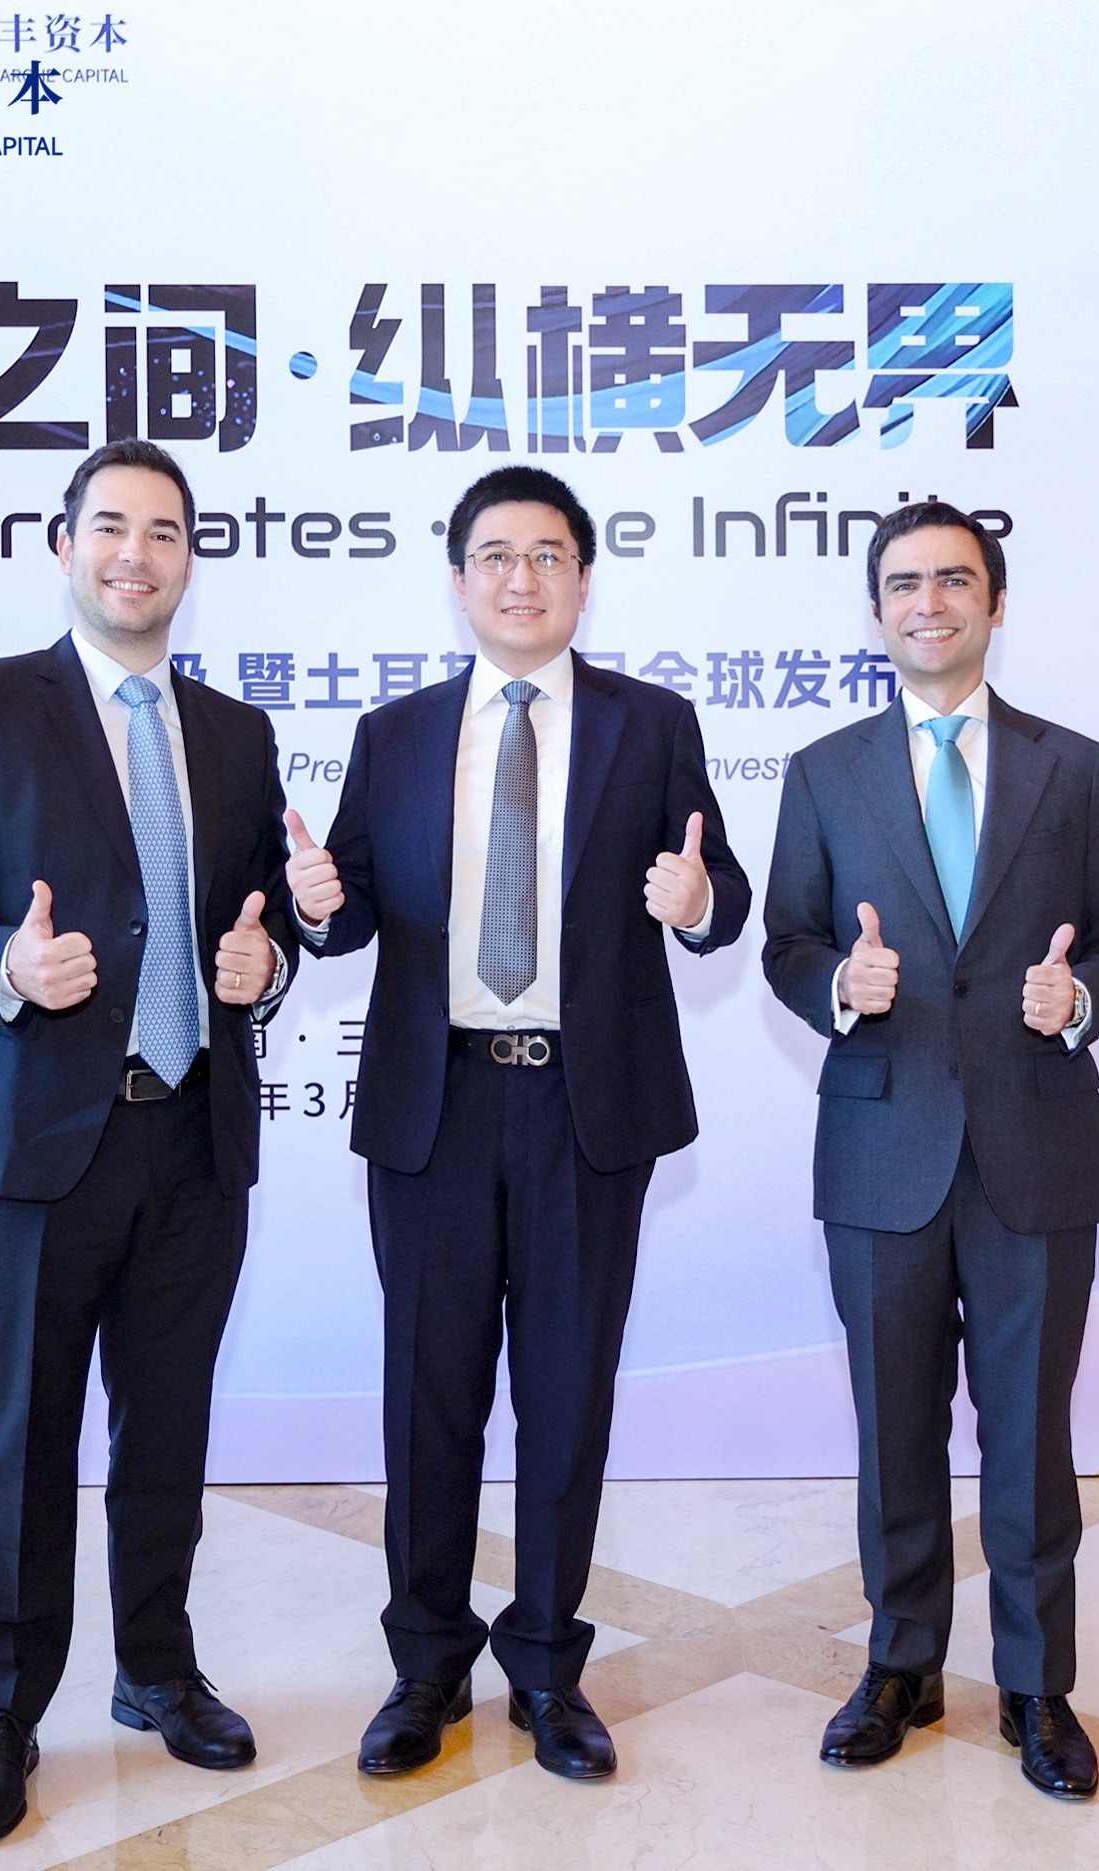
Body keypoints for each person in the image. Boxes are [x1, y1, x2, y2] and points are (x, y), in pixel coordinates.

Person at [284, 465, 751, 1781]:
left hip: (582, 1109)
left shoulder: (651, 724)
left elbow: (723, 895)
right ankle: (425, 1667)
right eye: (495, 555)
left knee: (564, 1394)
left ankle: (546, 1664)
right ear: (458, 582)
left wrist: (697, 903)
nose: (520, 578)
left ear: (583, 579)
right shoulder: (395, 734)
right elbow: (347, 912)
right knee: (427, 1398)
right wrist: (316, 901)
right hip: (434, 1106)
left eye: (547, 555)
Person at [0, 439, 298, 1845]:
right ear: (64, 546)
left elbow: (262, 928)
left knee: (166, 1426)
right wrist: (7, 964)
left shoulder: (236, 735)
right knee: (21, 1435)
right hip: (32, 1145)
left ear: (190, 560)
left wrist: (263, 971)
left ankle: (157, 1670)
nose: (137, 553)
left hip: (193, 1136)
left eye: (164, 531)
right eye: (110, 526)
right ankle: (2, 1710)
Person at [760, 500, 1099, 1802]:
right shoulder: (824, 772)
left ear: (993, 602)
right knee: (893, 1426)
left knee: (1029, 1433)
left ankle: (1037, 1686)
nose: (926, 602)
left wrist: (1079, 998)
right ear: (876, 610)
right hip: (883, 1148)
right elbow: (786, 941)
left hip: (1036, 1146)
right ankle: (901, 1663)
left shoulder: (1070, 766)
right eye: (902, 583)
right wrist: (842, 981)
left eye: (951, 580)